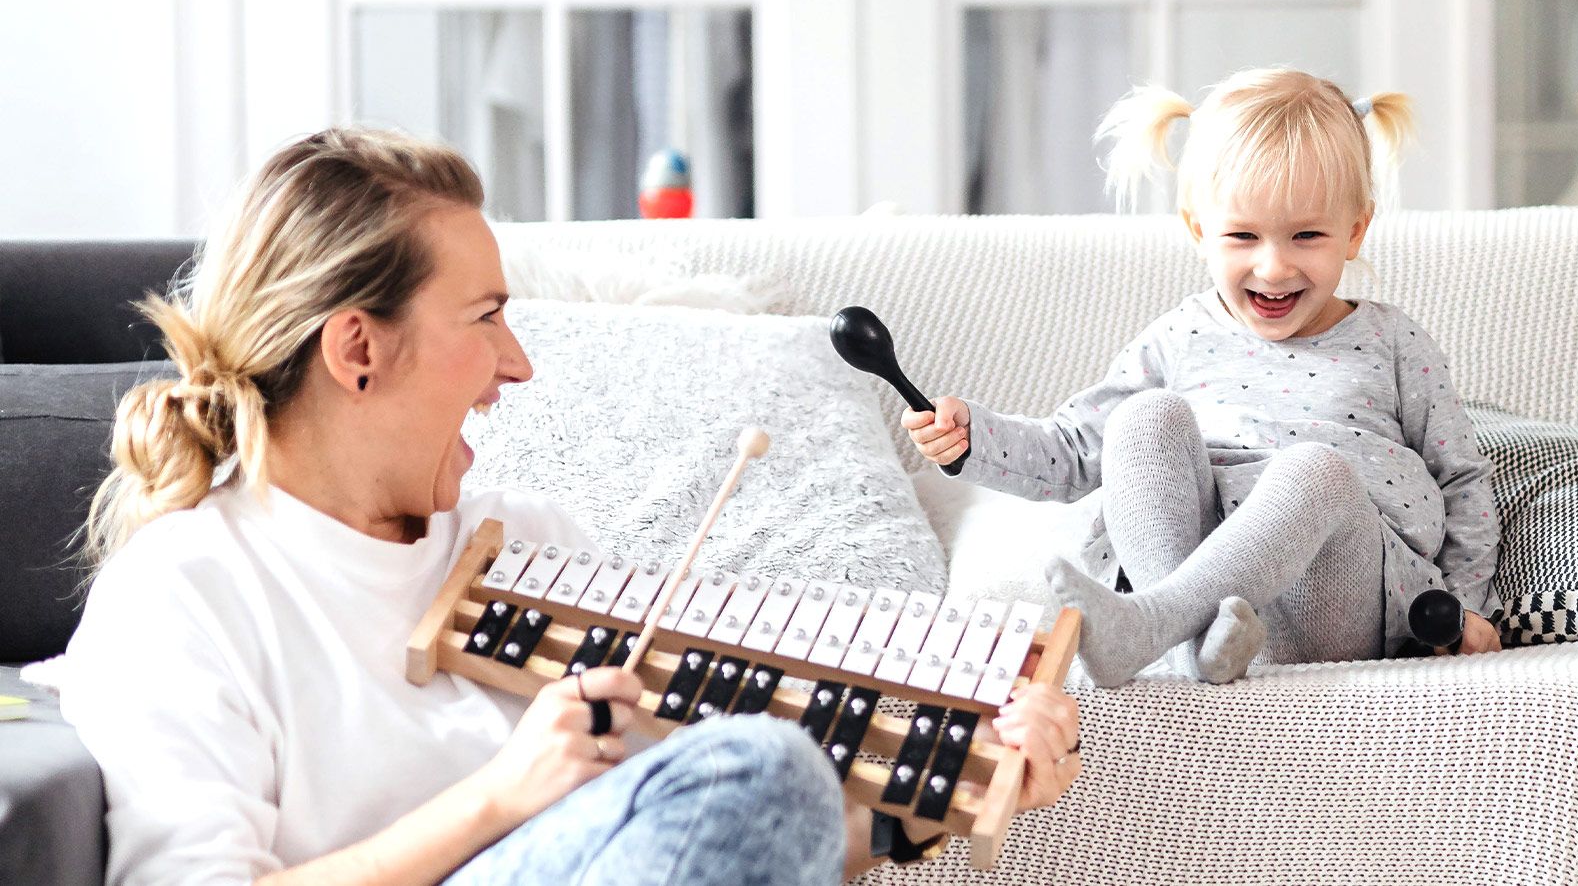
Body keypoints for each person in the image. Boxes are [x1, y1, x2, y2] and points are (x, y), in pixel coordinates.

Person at [58, 127, 1081, 885]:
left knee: (765, 772)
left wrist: (939, 792)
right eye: (485, 317)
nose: (518, 363)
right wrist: (499, 796)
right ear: (357, 348)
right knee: (762, 763)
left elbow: (710, 842)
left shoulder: (528, 546)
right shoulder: (185, 591)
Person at [902, 67, 1504, 689]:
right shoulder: (1179, 335)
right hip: (1216, 615)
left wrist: (1468, 607)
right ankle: (1190, 651)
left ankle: (1152, 625)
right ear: (1198, 230)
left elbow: (1461, 481)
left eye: (1307, 236)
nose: (1273, 267)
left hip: (1337, 596)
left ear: (1354, 232)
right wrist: (973, 439)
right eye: (1242, 235)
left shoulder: (1392, 341)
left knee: (1314, 469)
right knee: (1142, 418)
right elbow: (1076, 451)